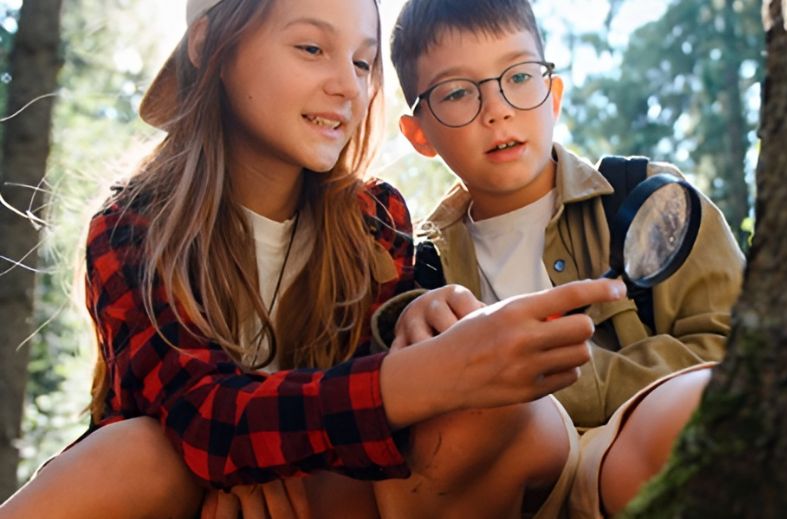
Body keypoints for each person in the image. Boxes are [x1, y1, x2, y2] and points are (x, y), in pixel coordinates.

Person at [0, 0, 626, 517]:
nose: (346, 84)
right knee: (135, 452)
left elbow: (388, 442)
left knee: (485, 418)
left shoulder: (374, 223)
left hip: (329, 496)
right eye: (311, 49)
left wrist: (424, 330)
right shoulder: (135, 226)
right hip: (182, 498)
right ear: (209, 48)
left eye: (361, 61)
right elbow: (201, 422)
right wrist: (428, 374)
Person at [383, 0, 745, 515]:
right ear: (420, 134)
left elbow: (735, 354)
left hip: (628, 449)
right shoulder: (419, 271)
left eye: (520, 76)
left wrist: (567, 376)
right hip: (509, 483)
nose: (498, 109)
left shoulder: (648, 199)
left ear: (553, 96)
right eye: (459, 92)